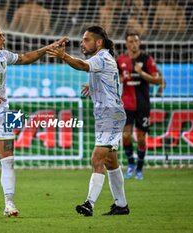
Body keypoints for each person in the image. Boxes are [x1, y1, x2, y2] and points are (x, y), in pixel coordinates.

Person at [0, 22, 67, 217]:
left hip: (3, 113)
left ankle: (9, 204)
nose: (3, 38)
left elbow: (25, 58)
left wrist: (47, 48)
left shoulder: (3, 55)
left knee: (8, 160)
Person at [47, 26, 129, 216]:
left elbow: (83, 66)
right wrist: (94, 87)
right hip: (107, 114)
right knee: (110, 161)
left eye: (86, 40)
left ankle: (89, 204)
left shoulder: (100, 57)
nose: (82, 43)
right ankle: (122, 205)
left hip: (111, 115)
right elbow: (108, 81)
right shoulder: (104, 58)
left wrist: (64, 56)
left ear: (98, 42)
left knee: (96, 158)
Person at [117, 32, 162, 180]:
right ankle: (130, 165)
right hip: (126, 104)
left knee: (141, 138)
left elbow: (157, 80)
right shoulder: (121, 60)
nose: (133, 44)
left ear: (139, 42)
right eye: (130, 41)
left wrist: (141, 73)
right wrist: (119, 80)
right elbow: (115, 79)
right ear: (126, 44)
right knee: (126, 135)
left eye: (136, 41)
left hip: (143, 104)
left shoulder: (147, 59)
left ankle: (139, 169)